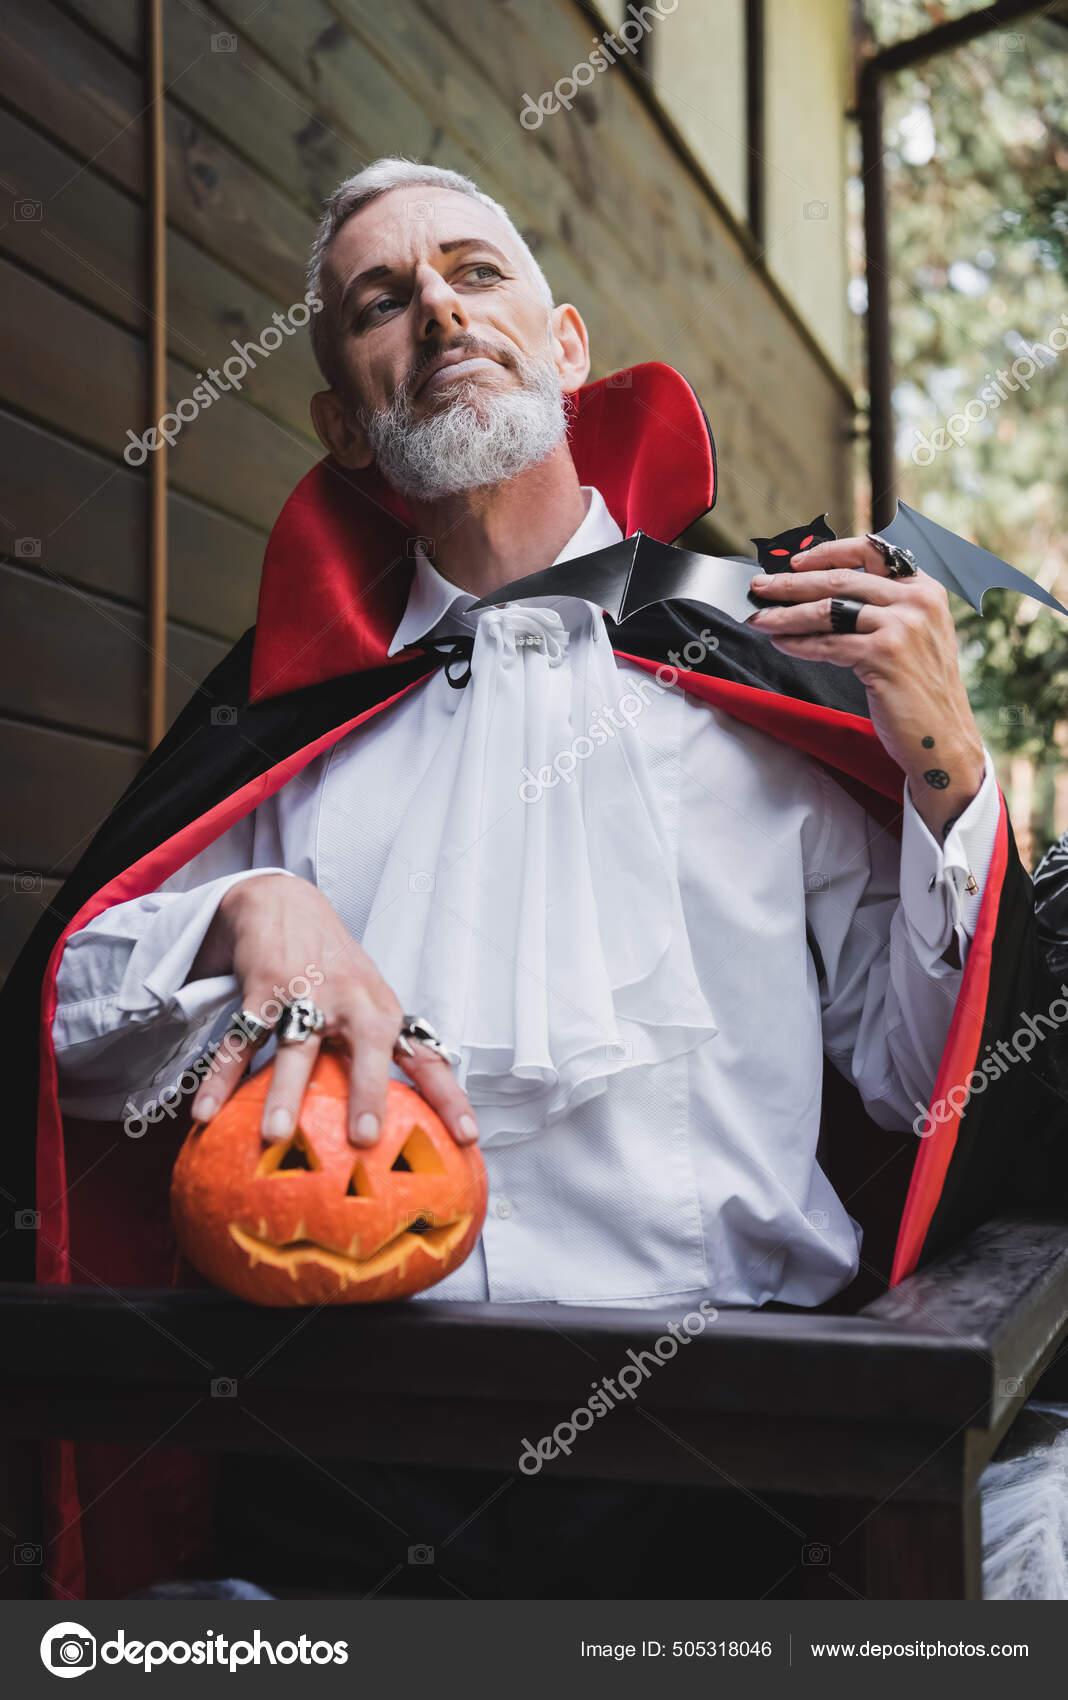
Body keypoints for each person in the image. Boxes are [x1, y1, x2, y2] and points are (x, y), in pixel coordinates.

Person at [2, 158, 1060, 1601]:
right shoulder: (284, 710)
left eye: (476, 272)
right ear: (345, 426)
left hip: (739, 1447)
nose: (438, 309)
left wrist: (947, 774)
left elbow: (917, 1086)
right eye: (382, 301)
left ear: (566, 350)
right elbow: (63, 1025)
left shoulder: (762, 650)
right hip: (339, 1445)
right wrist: (246, 912)